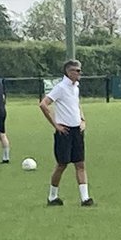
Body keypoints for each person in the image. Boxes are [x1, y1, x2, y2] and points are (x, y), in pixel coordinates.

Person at [39, 59, 94, 207]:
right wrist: (55, 125)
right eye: (77, 70)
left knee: (80, 164)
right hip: (65, 131)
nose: (79, 73)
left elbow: (77, 104)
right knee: (62, 164)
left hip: (77, 130)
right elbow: (44, 104)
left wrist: (82, 120)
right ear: (69, 72)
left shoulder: (75, 87)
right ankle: (52, 197)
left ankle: (85, 198)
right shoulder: (60, 88)